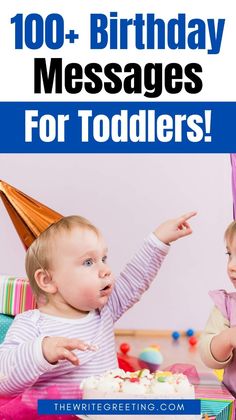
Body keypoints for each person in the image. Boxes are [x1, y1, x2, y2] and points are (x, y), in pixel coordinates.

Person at [0, 212, 196, 396]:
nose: (105, 270)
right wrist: (41, 351)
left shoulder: (104, 310)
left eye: (103, 258)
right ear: (47, 281)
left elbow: (135, 279)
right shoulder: (31, 324)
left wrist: (158, 240)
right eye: (88, 262)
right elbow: (3, 378)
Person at [200, 220, 236, 397]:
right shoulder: (226, 305)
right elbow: (209, 356)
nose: (231, 266)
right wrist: (227, 338)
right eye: (230, 255)